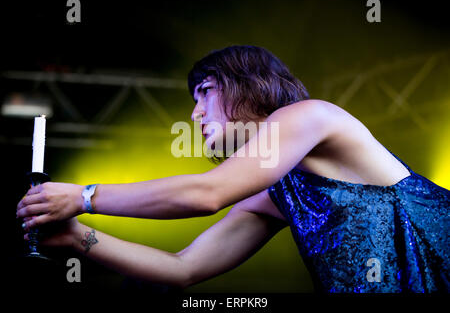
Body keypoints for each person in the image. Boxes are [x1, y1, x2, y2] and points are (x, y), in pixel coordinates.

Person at [17, 45, 449, 293]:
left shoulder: (312, 115)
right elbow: (182, 268)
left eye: (205, 91)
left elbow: (207, 194)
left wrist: (84, 197)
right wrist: (78, 238)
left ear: (249, 84)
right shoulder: (277, 195)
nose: (195, 114)